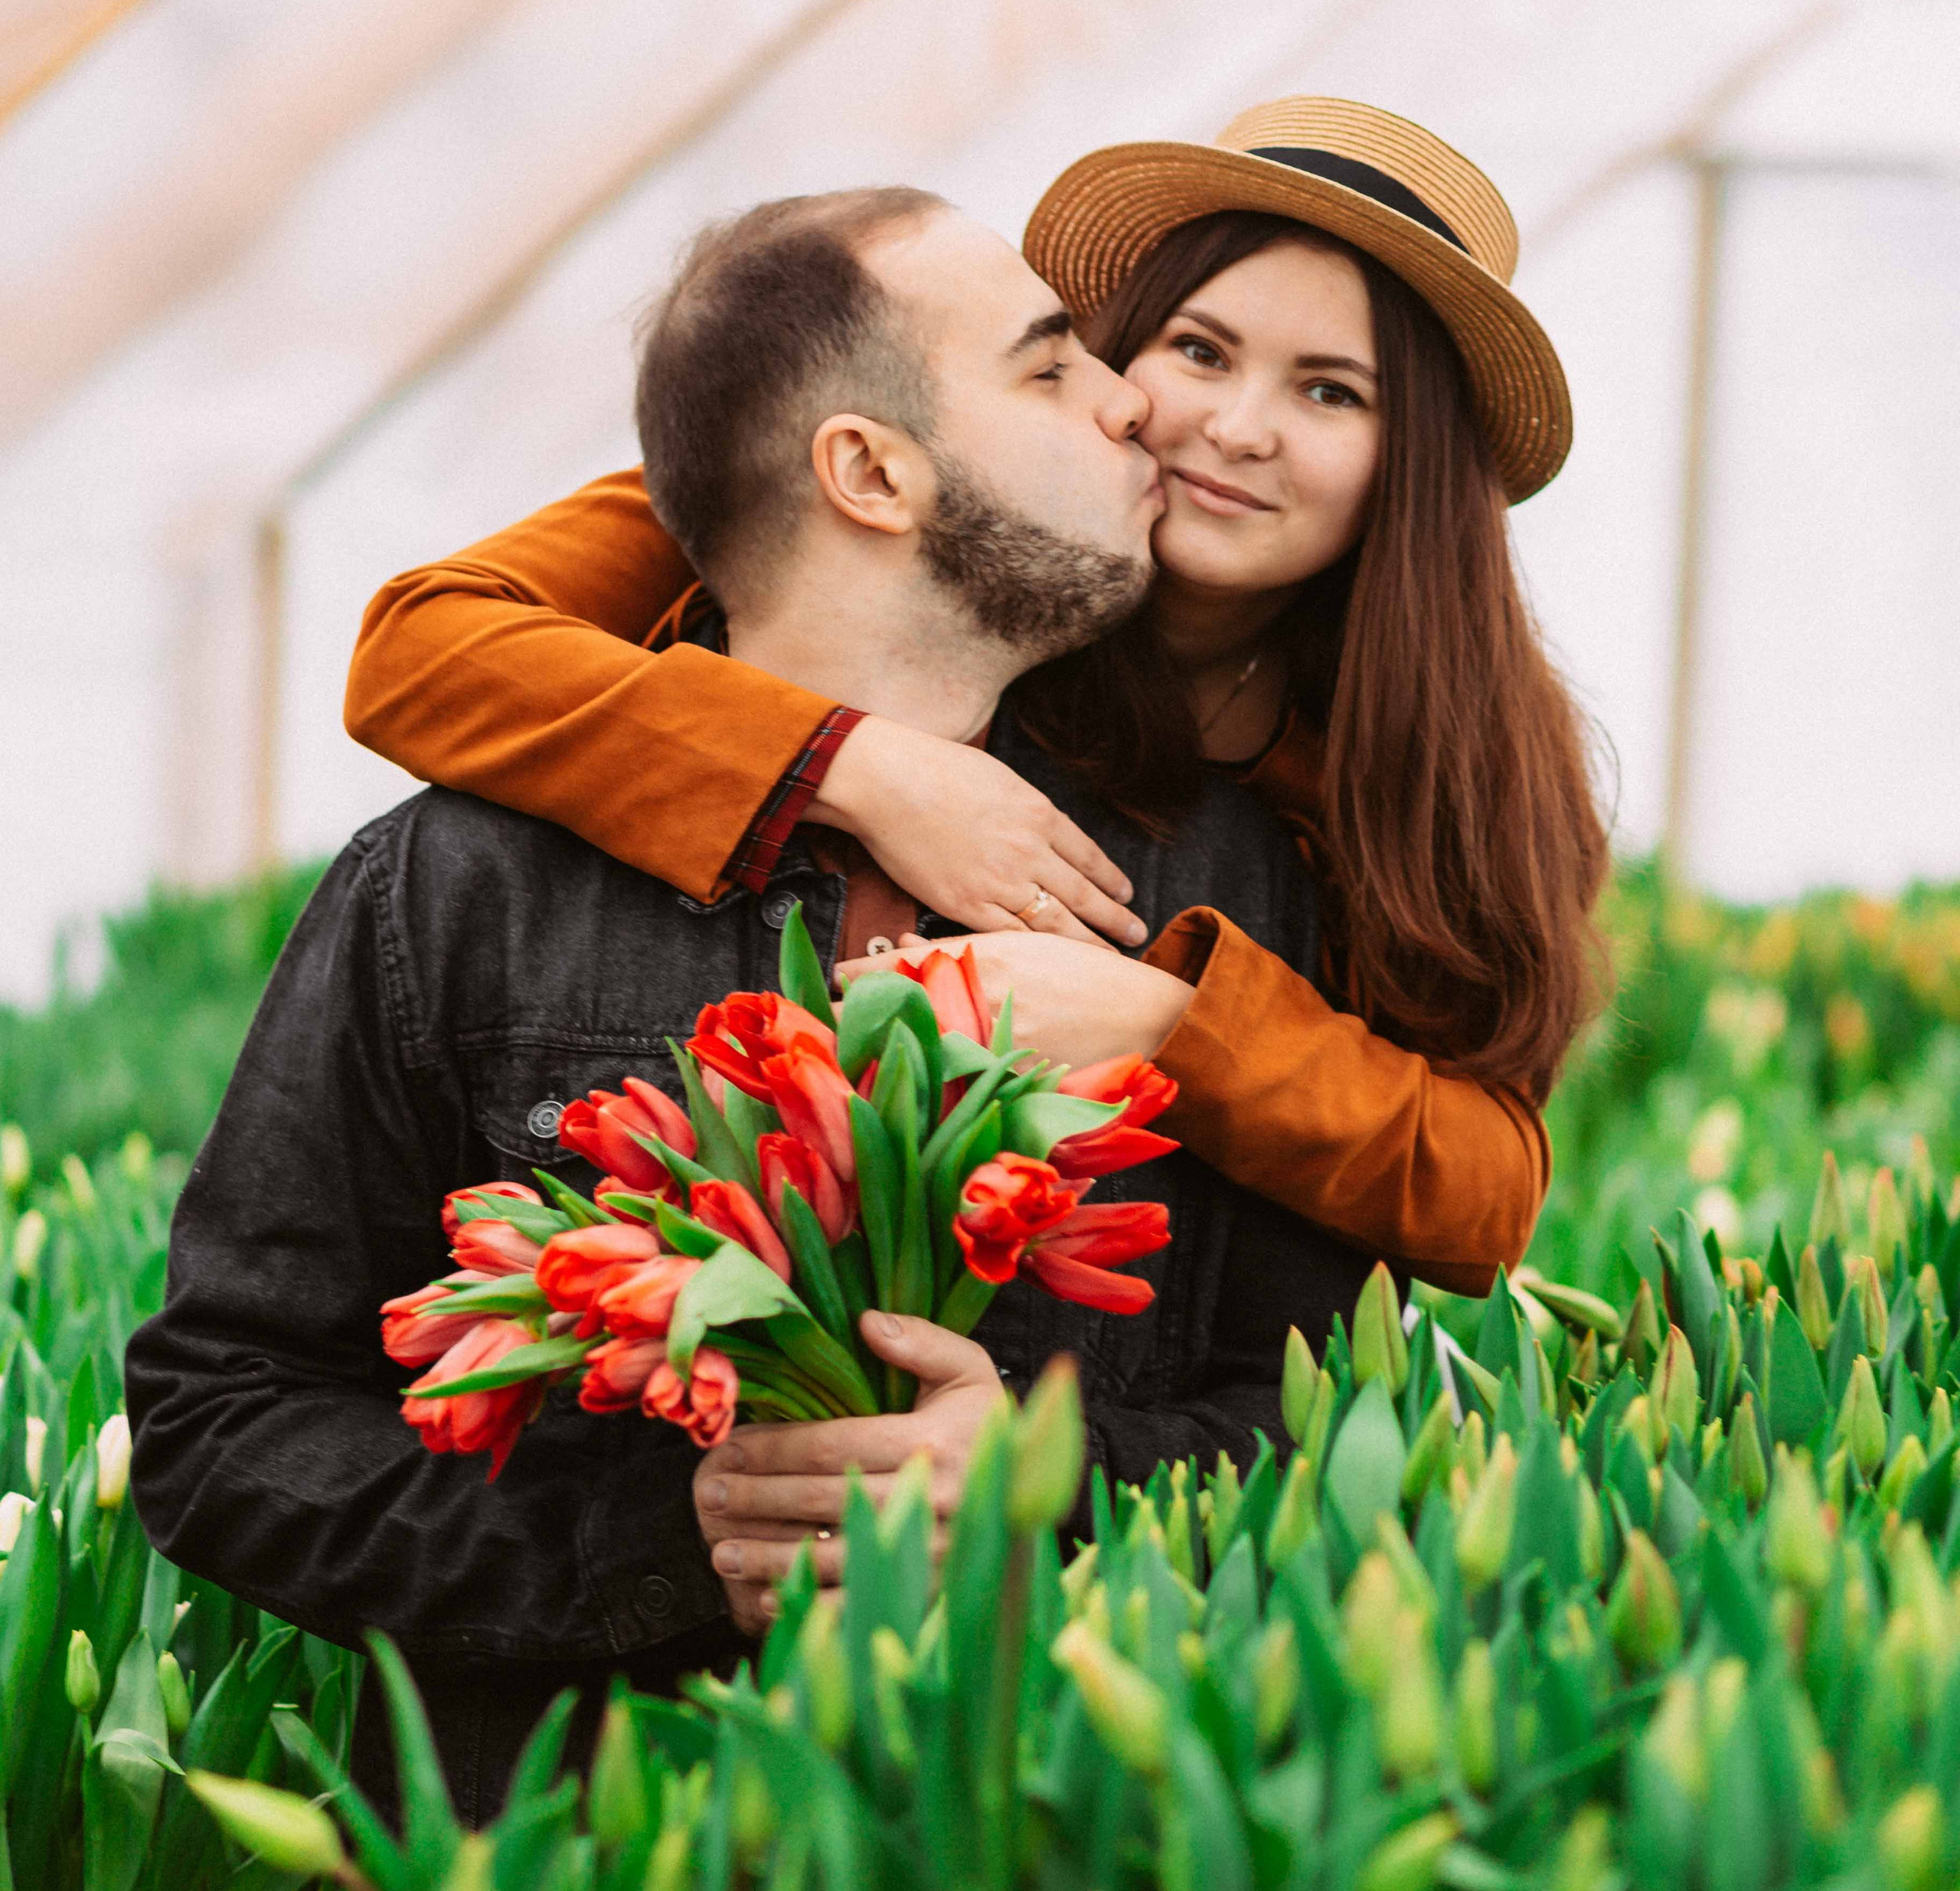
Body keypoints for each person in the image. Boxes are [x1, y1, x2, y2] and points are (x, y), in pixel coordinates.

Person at [126, 188, 1383, 1822]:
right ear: (869, 472)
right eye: (1048, 365)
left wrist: (1036, 1481)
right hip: (547, 1887)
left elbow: (1331, 1425)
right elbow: (224, 1423)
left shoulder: (1218, 902)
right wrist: (659, 1547)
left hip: (1028, 1883)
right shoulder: (456, 891)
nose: (1133, 399)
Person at [345, 99, 1607, 1305]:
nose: (1235, 427)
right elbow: (427, 647)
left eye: (1332, 391)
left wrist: (1167, 1022)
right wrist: (863, 768)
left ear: (1416, 465)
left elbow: (1483, 1186)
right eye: (1201, 351)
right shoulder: (891, 500)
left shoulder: (1438, 754)